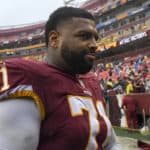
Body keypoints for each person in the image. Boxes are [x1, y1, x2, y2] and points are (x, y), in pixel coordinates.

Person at [0, 7, 122, 150]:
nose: (94, 45)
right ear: (54, 39)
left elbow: (110, 143)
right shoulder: (30, 77)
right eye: (84, 36)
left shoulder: (91, 81)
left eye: (95, 38)